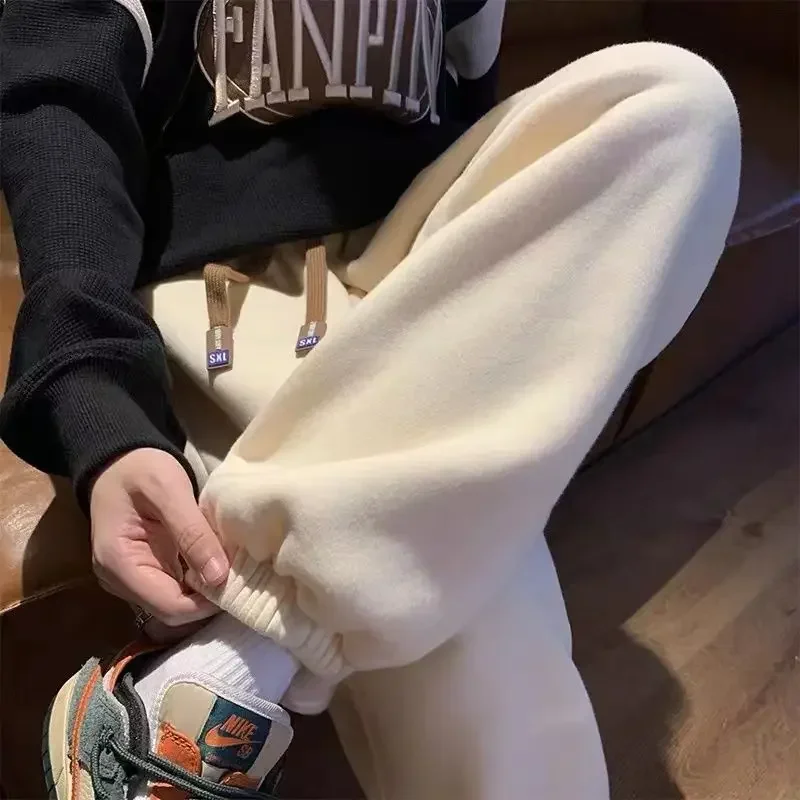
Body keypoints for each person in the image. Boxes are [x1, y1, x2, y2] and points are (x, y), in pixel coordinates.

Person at [0, 0, 740, 798]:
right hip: (232, 283)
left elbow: (466, 104)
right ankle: (256, 642)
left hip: (419, 265)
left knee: (680, 103)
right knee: (490, 644)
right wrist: (99, 397)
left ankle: (238, 658)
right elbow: (61, 108)